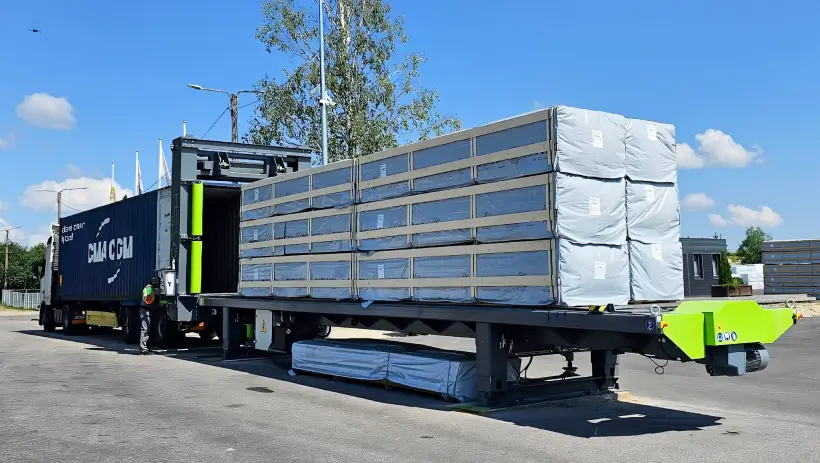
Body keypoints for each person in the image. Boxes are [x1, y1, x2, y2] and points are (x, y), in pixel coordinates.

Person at [138, 276, 160, 355]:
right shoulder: (148, 288)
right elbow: (146, 298)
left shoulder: (151, 288)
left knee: (149, 329)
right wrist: (154, 293)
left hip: (149, 310)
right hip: (145, 310)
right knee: (145, 329)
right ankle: (143, 348)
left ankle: (147, 347)